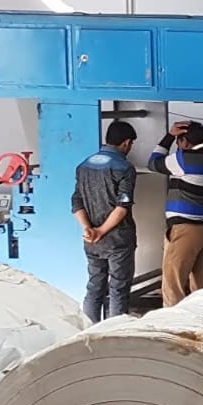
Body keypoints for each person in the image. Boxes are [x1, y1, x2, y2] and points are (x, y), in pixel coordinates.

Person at [149, 119, 203, 307]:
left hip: (186, 229)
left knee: (173, 284)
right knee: (202, 286)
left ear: (184, 141)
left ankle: (173, 322)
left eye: (179, 142)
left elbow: (153, 163)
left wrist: (169, 136)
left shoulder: (183, 159)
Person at [72, 119, 138, 322]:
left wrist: (88, 228)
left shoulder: (83, 166)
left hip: (91, 240)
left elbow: (76, 201)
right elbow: (122, 207)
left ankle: (88, 331)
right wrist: (101, 230)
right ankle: (114, 333)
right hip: (118, 239)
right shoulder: (124, 168)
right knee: (118, 288)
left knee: (94, 286)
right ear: (126, 143)